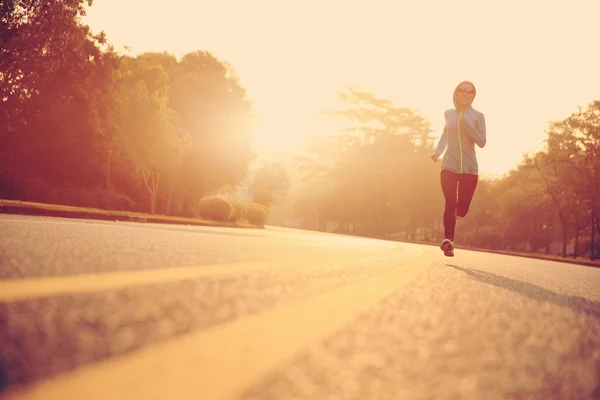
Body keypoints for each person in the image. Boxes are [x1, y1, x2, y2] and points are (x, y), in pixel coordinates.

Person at [431, 81, 487, 257]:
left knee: (461, 209)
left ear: (473, 96)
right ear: (456, 93)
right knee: (450, 202)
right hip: (448, 165)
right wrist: (437, 152)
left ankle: (459, 214)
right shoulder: (448, 114)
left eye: (470, 91)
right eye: (462, 90)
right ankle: (448, 241)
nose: (465, 93)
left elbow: (482, 142)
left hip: (469, 170)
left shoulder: (478, 116)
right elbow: (445, 134)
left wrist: (467, 126)